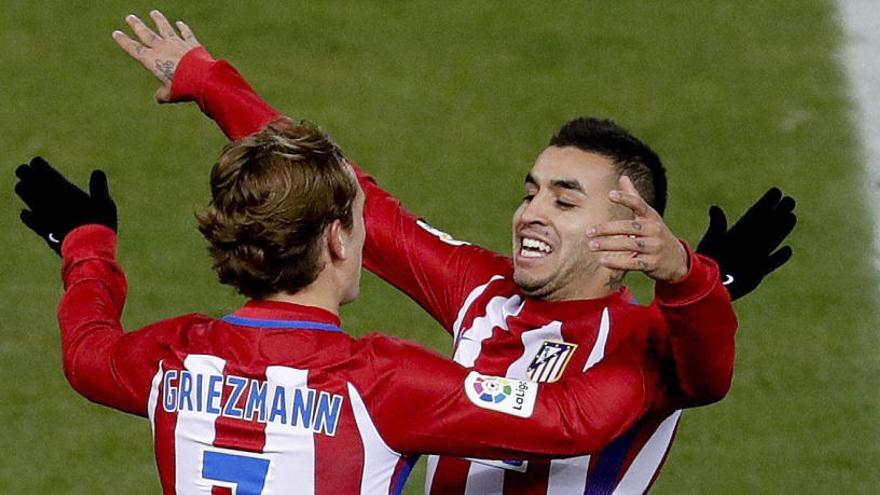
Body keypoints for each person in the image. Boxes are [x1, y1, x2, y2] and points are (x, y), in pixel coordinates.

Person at [111, 11, 795, 494]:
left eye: (563, 199)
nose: (529, 211)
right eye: (530, 192)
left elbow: (709, 373)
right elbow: (348, 191)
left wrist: (690, 280)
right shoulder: (482, 288)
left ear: (622, 233)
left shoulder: (647, 344)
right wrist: (210, 83)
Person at [14, 120, 734, 494]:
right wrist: (686, 307)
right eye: (360, 220)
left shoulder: (172, 357)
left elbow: (87, 351)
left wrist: (88, 249)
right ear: (336, 240)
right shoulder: (382, 382)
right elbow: (569, 418)